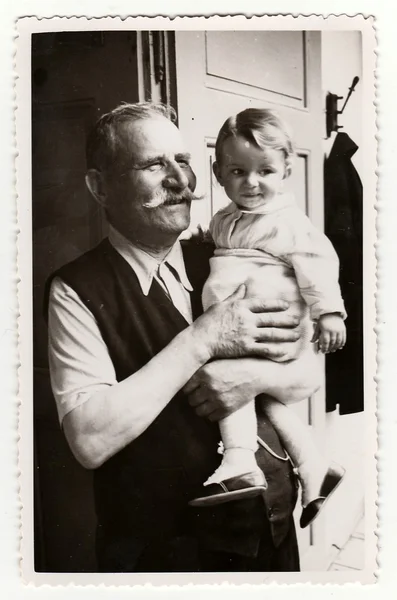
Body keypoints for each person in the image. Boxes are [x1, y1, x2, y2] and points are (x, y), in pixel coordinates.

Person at [47, 102, 309, 573]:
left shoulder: (228, 254)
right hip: (167, 558)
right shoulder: (76, 289)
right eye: (153, 164)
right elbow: (88, 440)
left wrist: (249, 378)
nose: (180, 181)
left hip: (270, 534)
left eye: (183, 162)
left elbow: (305, 376)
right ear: (100, 187)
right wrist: (203, 340)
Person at [189, 108, 345, 529]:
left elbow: (317, 262)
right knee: (264, 397)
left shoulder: (289, 222)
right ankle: (314, 466)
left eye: (266, 171)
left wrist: (328, 312)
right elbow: (223, 245)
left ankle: (240, 460)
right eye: (237, 170)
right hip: (247, 320)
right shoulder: (225, 218)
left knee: (228, 376)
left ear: (286, 170)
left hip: (267, 319)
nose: (251, 182)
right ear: (218, 172)